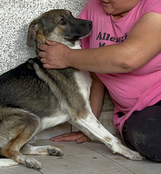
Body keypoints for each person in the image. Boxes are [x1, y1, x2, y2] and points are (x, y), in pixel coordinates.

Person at [39, 0, 161, 162]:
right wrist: (91, 126)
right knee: (150, 137)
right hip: (139, 113)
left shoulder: (155, 6)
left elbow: (129, 58)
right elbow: (94, 69)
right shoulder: (94, 8)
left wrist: (67, 56)